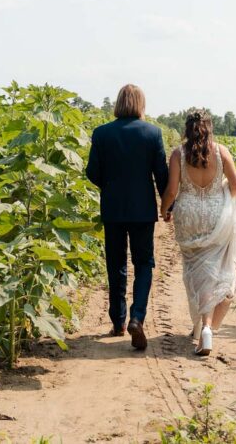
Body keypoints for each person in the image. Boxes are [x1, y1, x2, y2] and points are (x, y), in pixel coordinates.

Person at [85, 84, 169, 350]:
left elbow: (92, 172)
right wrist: (168, 203)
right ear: (141, 104)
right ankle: (137, 317)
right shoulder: (152, 133)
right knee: (144, 263)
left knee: (116, 263)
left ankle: (118, 320)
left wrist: (108, 186)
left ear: (118, 103)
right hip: (142, 209)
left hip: (112, 208)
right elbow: (161, 175)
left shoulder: (101, 133)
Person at [159, 109, 236, 356]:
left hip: (188, 216)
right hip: (214, 215)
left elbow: (171, 189)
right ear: (209, 128)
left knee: (196, 271)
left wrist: (164, 209)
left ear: (187, 129)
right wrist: (220, 202)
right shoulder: (221, 152)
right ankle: (208, 328)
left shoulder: (179, 153)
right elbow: (235, 185)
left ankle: (201, 326)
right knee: (216, 271)